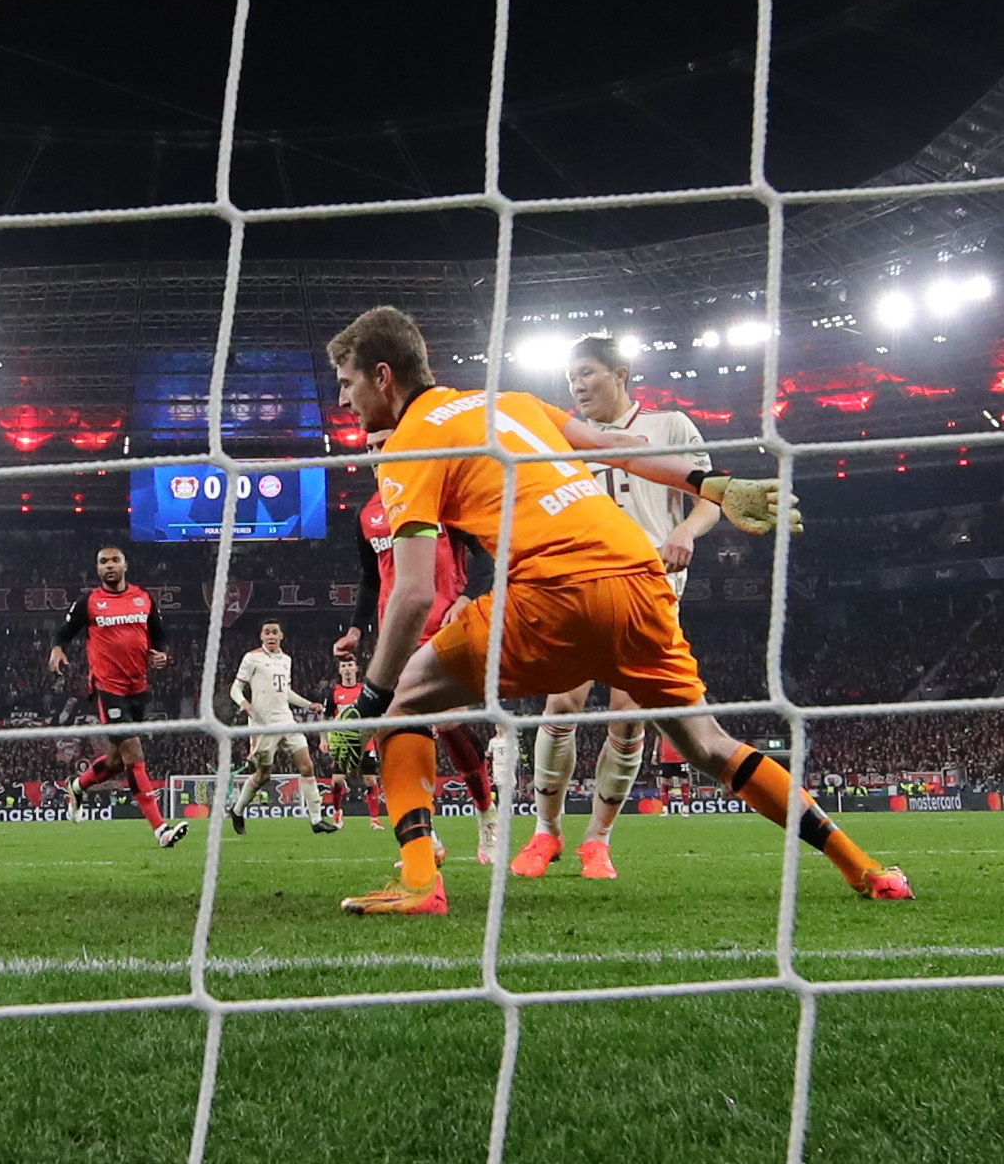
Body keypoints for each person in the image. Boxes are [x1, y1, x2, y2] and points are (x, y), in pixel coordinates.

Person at [322, 306, 908, 914]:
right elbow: (618, 447)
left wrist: (367, 700)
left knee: (403, 703)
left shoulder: (409, 445)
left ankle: (421, 882)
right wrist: (715, 486)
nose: (344, 399)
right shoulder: (511, 404)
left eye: (347, 382)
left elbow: (414, 593)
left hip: (552, 594)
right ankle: (864, 868)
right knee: (708, 744)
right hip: (639, 581)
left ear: (383, 375)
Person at [511, 333, 722, 882]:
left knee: (628, 719)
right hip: (579, 582)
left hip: (652, 584)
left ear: (620, 373)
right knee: (563, 705)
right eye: (569, 378)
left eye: (585, 373)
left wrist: (685, 532)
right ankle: (544, 832)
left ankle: (597, 841)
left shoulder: (670, 426)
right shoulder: (562, 435)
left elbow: (712, 495)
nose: (576, 386)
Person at [339, 485, 503, 863]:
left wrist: (466, 599)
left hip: (445, 629)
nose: (377, 457)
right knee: (394, 729)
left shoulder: (440, 497)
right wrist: (355, 629)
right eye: (371, 450)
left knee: (448, 724)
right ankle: (424, 836)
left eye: (384, 446)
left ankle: (486, 814)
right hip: (396, 636)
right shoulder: (368, 513)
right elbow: (370, 579)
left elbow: (485, 555)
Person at [52, 545, 184, 847]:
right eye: (103, 562)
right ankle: (160, 829)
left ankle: (77, 785)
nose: (109, 566)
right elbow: (64, 632)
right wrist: (57, 649)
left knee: (114, 761)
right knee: (134, 756)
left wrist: (162, 655)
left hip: (138, 687)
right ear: (97, 569)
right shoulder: (89, 602)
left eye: (115, 560)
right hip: (107, 688)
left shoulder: (143, 598)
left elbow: (159, 634)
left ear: (125, 565)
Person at [225, 621, 334, 835]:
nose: (271, 635)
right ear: (262, 636)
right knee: (263, 775)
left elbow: (286, 692)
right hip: (262, 726)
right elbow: (235, 688)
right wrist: (244, 704)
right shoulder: (252, 658)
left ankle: (316, 820)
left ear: (281, 636)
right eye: (267, 632)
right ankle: (237, 811)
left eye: (275, 632)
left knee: (307, 766)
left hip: (287, 721)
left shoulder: (286, 660)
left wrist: (307, 704)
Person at [322, 655, 380, 827]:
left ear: (356, 668)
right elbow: (325, 718)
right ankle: (338, 813)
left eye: (350, 665)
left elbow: (375, 713)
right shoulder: (333, 693)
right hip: (343, 744)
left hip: (365, 742)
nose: (347, 669)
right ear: (340, 670)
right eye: (344, 666)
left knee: (370, 780)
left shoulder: (365, 691)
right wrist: (323, 739)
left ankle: (374, 820)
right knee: (337, 780)